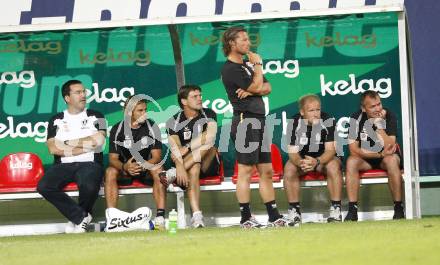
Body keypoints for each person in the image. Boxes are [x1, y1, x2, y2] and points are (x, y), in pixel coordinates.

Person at [221, 26, 293, 228]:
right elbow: (256, 86)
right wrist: (258, 66)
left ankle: (273, 215)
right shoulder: (230, 68)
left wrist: (254, 89)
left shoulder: (246, 65)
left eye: (247, 39)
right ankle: (245, 218)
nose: (248, 43)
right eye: (243, 40)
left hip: (259, 121)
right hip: (245, 121)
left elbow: (267, 87)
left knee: (267, 171)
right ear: (231, 44)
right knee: (245, 171)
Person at [37, 80, 106, 233]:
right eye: (78, 92)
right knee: (43, 186)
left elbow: (99, 142)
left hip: (90, 164)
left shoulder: (97, 115)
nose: (83, 95)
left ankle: (76, 219)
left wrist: (66, 143)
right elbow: (53, 149)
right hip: (63, 165)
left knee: (88, 185)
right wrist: (86, 145)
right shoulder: (55, 119)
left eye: (84, 92)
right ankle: (80, 217)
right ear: (67, 98)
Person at [161, 85, 220, 228]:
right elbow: (175, 148)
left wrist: (186, 148)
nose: (200, 99)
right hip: (188, 166)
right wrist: (180, 165)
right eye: (195, 97)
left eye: (200, 95)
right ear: (184, 101)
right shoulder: (173, 121)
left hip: (209, 163)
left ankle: (172, 174)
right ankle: (197, 216)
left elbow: (210, 135)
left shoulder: (209, 113)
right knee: (194, 167)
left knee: (209, 145)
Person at [104, 95, 167, 231]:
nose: (144, 113)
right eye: (140, 110)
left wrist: (143, 165)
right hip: (125, 170)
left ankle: (160, 217)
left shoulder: (152, 126)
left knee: (159, 169)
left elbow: (156, 156)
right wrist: (125, 166)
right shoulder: (117, 129)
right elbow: (113, 159)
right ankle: (112, 218)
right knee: (110, 171)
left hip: (146, 168)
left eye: (145, 110)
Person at [345, 90, 404, 221]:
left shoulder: (389, 115)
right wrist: (379, 154)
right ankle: (352, 210)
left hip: (387, 157)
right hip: (367, 158)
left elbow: (390, 146)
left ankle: (399, 208)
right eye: (372, 106)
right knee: (351, 161)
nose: (378, 108)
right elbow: (353, 150)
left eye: (379, 104)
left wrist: (378, 126)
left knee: (391, 161)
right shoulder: (355, 118)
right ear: (363, 108)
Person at [284, 94, 343, 224]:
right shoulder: (293, 123)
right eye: (311, 110)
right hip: (303, 161)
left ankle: (336, 210)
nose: (316, 114)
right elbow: (292, 153)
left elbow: (330, 150)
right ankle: (294, 212)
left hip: (325, 160)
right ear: (302, 112)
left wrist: (317, 161)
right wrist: (301, 163)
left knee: (333, 166)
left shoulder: (327, 120)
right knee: (289, 168)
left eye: (318, 109)